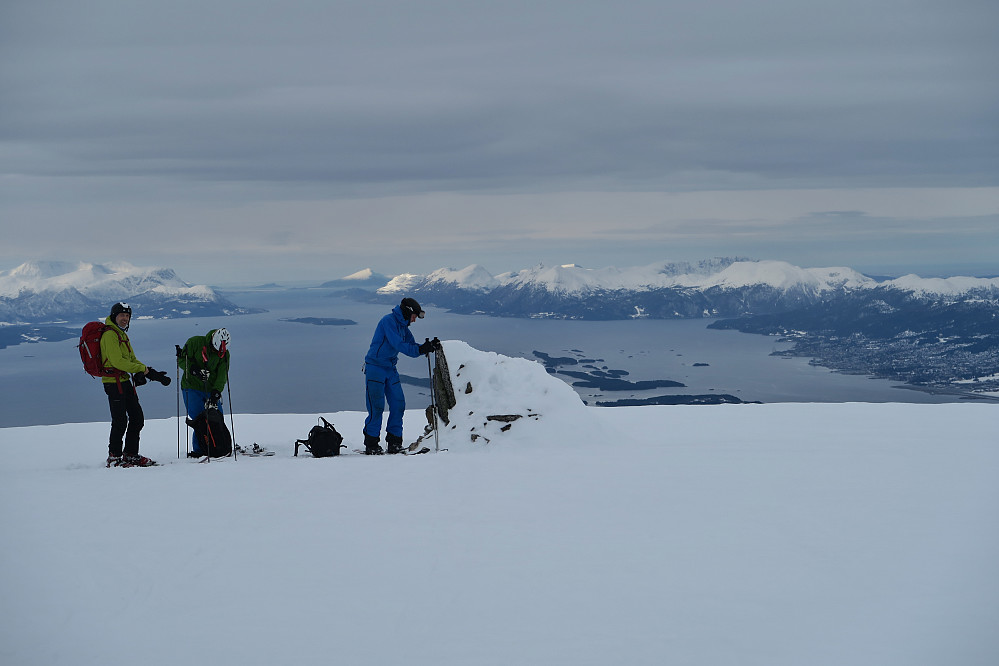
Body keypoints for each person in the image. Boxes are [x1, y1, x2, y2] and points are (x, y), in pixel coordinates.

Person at [362, 297, 438, 454]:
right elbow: (399, 345)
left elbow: (411, 346)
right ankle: (371, 444)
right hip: (375, 368)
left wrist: (426, 347)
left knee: (398, 404)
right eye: (414, 316)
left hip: (390, 368)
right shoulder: (388, 322)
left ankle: (394, 442)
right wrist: (421, 349)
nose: (415, 320)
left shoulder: (403, 327)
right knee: (376, 408)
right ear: (407, 312)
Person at [101, 302, 168, 468]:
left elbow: (131, 360)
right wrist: (142, 369)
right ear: (114, 316)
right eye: (121, 315)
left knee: (137, 418)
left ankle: (131, 454)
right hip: (113, 382)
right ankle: (114, 457)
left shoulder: (122, 334)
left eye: (127, 316)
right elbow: (117, 361)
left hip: (124, 381)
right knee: (120, 421)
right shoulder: (110, 335)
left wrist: (150, 372)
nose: (125, 319)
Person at [176, 328, 231, 457]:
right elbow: (182, 360)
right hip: (191, 387)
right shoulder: (195, 342)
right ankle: (200, 450)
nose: (216, 352)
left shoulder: (225, 354)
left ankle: (218, 445)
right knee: (200, 419)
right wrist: (194, 370)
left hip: (210, 389)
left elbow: (222, 374)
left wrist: (217, 391)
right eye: (214, 349)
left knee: (217, 416)